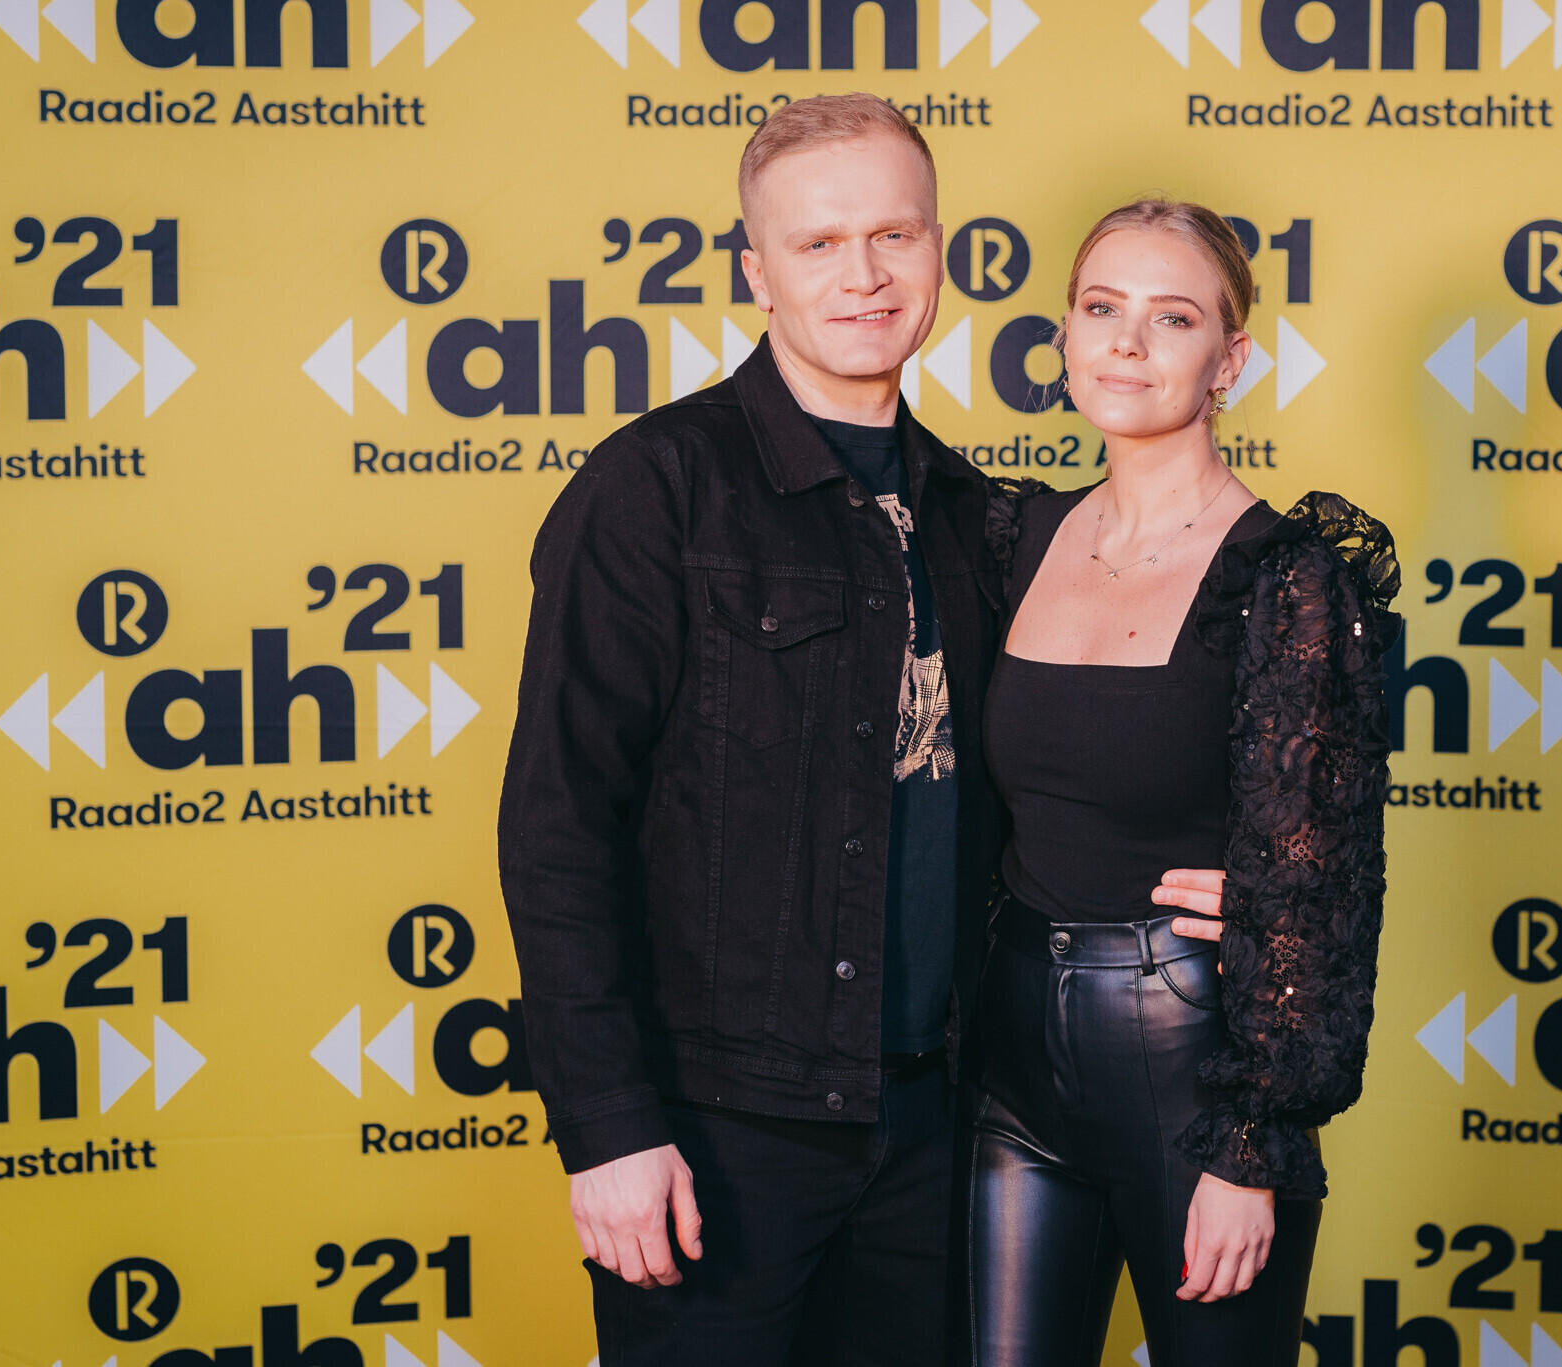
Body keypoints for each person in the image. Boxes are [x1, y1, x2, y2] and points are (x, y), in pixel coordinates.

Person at [497, 97, 1224, 1366]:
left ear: (939, 248)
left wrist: (1269, 888)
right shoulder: (656, 488)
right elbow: (558, 824)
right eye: (819, 242)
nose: (863, 275)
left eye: (894, 234)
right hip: (718, 1134)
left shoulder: (977, 513)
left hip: (942, 1131)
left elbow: (1069, 775)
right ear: (755, 271)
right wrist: (606, 1124)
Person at [963, 200, 1402, 1367]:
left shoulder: (1286, 577)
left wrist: (1250, 1146)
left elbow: (1326, 879)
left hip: (1192, 1065)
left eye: (1171, 317)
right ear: (1063, 335)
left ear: (1229, 358)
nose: (1126, 341)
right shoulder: (1012, 537)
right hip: (1009, 1069)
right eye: (1100, 308)